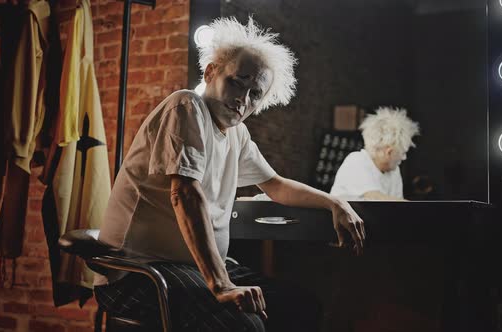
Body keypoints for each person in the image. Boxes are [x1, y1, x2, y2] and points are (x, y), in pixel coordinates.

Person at [93, 17, 365, 332]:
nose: (242, 99)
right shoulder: (186, 107)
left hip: (191, 269)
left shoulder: (237, 135)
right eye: (237, 82)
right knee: (243, 325)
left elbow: (275, 185)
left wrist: (335, 203)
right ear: (211, 72)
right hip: (137, 274)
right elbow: (184, 194)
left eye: (254, 94)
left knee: (300, 305)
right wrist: (222, 285)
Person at [330, 107, 420, 201]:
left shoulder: (394, 171)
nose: (404, 158)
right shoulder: (356, 160)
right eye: (402, 153)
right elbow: (375, 198)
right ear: (388, 152)